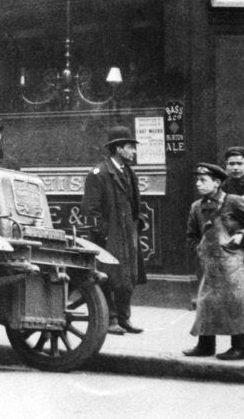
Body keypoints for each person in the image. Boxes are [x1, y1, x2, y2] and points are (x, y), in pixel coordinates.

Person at [183, 162, 244, 361]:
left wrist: (243, 235)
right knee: (206, 303)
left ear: (217, 183)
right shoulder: (196, 207)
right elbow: (191, 235)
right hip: (210, 263)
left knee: (237, 303)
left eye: (203, 180)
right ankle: (205, 346)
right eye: (197, 180)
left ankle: (240, 348)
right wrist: (199, 249)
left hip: (233, 262)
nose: (198, 184)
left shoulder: (233, 202)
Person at [81, 125, 147, 336]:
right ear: (118, 149)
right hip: (109, 237)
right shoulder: (99, 174)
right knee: (110, 277)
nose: (133, 151)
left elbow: (134, 204)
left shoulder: (129, 172)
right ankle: (110, 319)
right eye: (130, 147)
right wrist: (104, 233)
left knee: (128, 277)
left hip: (128, 233)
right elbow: (90, 210)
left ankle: (124, 319)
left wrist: (137, 223)